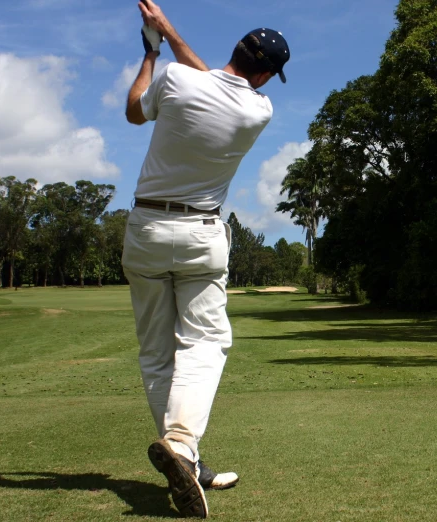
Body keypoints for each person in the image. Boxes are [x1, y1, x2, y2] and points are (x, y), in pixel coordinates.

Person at [121, 1, 290, 517]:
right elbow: (219, 85)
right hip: (200, 233)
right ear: (264, 74)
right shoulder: (259, 110)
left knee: (156, 353)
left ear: (236, 49)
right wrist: (170, 36)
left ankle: (186, 459)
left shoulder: (173, 80)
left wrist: (154, 48)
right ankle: (183, 446)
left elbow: (132, 110)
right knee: (206, 341)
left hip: (146, 227)